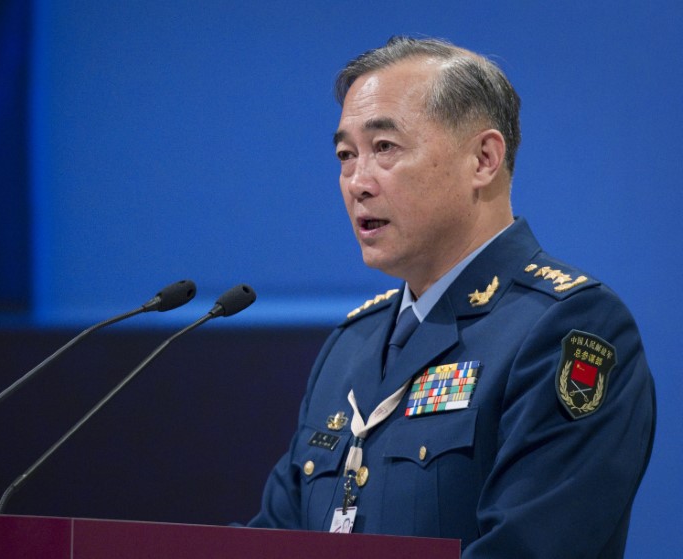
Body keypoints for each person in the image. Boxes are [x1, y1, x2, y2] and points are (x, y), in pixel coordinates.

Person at [246, 36, 655, 558]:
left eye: (384, 148)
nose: (357, 182)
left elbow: (528, 549)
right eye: (346, 155)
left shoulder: (569, 327)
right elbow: (279, 537)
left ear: (483, 159)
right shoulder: (350, 345)